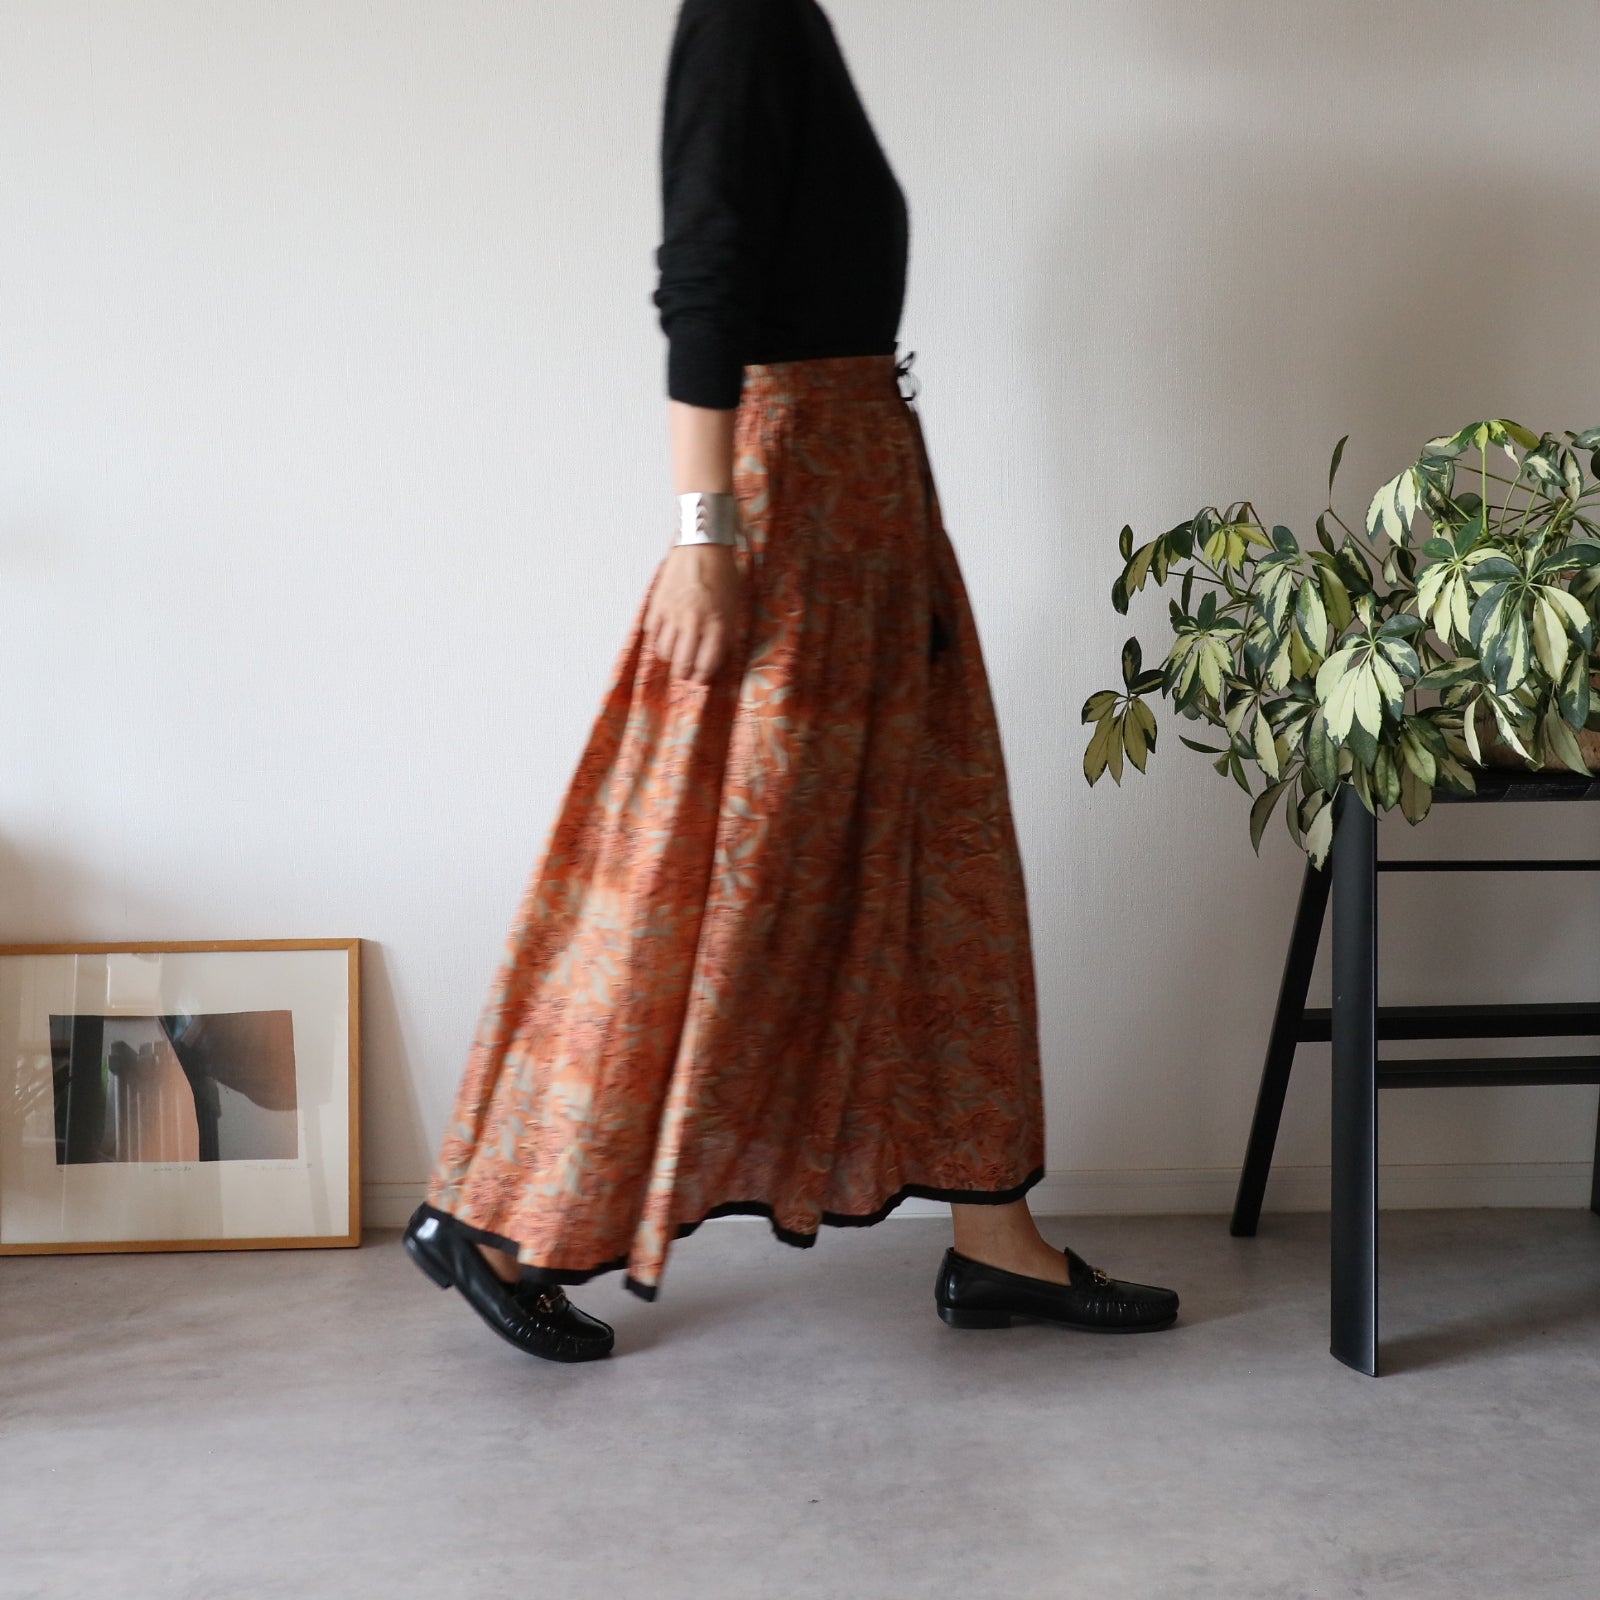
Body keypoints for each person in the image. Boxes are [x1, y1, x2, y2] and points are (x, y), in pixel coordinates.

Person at [403, 0, 1179, 1363]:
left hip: (864, 506)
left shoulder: (784, 18)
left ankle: (997, 1241)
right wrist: (706, 536)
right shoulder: (743, 17)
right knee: (717, 879)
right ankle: (505, 1218)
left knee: (938, 867)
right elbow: (702, 278)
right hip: (796, 514)